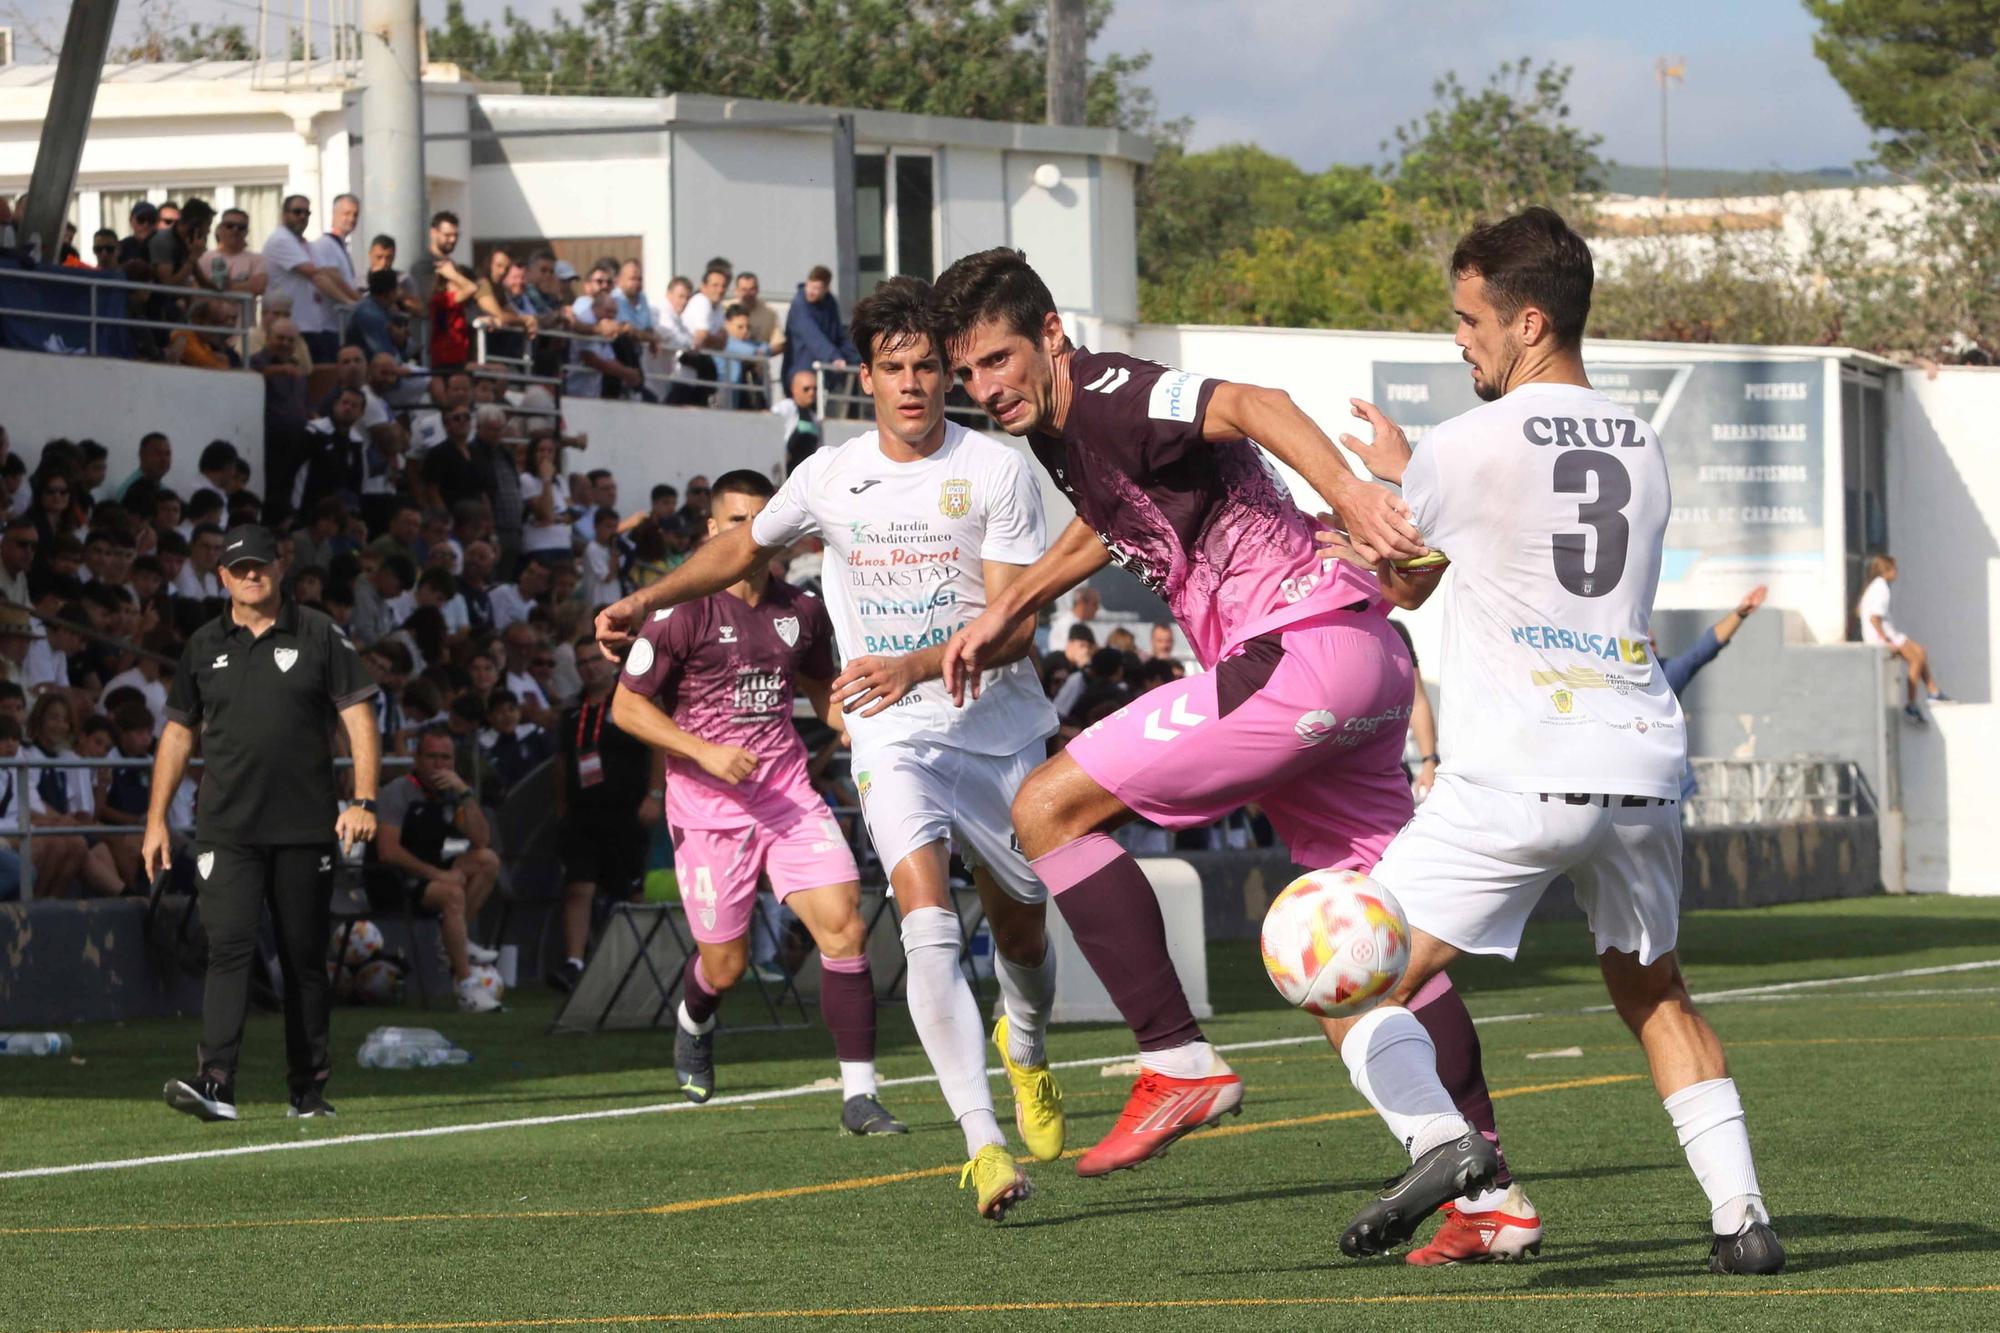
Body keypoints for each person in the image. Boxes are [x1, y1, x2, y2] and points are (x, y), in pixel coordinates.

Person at [929, 250, 1520, 1232]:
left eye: (997, 359)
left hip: (1291, 657)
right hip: (1362, 661)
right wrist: (1016, 601)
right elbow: (1110, 519)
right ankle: (1484, 1193)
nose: (985, 390)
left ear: (1050, 337)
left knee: (1044, 806)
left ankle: (1174, 1057)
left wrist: (1352, 491)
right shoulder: (1067, 434)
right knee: (1368, 956)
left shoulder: (1111, 392)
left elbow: (1253, 400)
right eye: (970, 376)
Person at [1308, 207, 1783, 1275]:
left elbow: (1401, 576)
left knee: (1341, 976)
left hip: (1520, 767)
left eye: (1470, 319)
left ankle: (1442, 1147)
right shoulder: (1640, 440)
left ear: (1527, 321)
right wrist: (1409, 466)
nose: (1459, 339)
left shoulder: (1461, 445)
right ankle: (1741, 1218)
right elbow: (1524, 523)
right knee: (1654, 991)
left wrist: (1385, 489)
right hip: (1641, 759)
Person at [597, 279, 1064, 1221]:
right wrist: (645, 600)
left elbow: (1014, 623)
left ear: (948, 372)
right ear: (867, 377)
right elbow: (736, 554)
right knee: (923, 918)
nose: (912, 385)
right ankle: (981, 1141)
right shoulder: (827, 474)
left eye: (928, 367)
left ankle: (1028, 1045)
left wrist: (923, 662)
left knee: (1021, 924)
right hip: (891, 732)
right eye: (893, 369)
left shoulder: (1000, 468)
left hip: (998, 727)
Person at [609, 469, 904, 1134]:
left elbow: (823, 689)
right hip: (708, 809)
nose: (751, 533)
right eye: (736, 520)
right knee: (727, 963)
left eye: (761, 519)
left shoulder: (798, 610)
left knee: (844, 925)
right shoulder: (680, 611)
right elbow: (627, 707)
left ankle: (859, 1094)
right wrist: (703, 751)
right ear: (712, 531)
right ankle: (693, 1020)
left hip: (785, 797)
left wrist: (863, 729)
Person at [147, 523, 381, 1122]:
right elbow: (177, 733)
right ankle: (216, 1083)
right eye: (239, 567)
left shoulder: (319, 632)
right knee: (228, 948)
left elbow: (357, 715)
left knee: (304, 956)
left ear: (280, 569)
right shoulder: (202, 644)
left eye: (261, 565)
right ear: (222, 576)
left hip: (306, 826)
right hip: (225, 827)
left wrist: (364, 799)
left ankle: (307, 1089)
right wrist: (154, 820)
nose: (252, 575)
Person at [372, 729, 505, 1011]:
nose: (439, 765)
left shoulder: (448, 795)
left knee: (487, 860)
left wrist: (465, 793)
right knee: (452, 893)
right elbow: (387, 851)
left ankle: (455, 938)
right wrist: (438, 875)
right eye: (432, 757)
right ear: (417, 758)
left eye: (446, 758)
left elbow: (481, 839)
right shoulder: (397, 792)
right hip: (390, 880)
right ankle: (467, 987)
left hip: (426, 874)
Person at [549, 638, 656, 989]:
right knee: (578, 885)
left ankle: (635, 963)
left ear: (610, 662)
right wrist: (562, 807)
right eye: (581, 662)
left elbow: (659, 747)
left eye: (594, 660)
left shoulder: (631, 700)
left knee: (629, 890)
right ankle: (574, 963)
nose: (589, 667)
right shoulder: (571, 710)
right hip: (583, 813)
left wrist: (655, 795)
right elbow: (563, 763)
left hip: (626, 809)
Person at [1857, 554, 1947, 723]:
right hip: (1884, 636)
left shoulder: (1877, 586)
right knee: (1916, 659)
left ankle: (1933, 692)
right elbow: (1874, 618)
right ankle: (1911, 705)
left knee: (1920, 651)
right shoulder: (1881, 588)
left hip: (1890, 633)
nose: (1897, 572)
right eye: (1895, 569)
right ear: (1887, 570)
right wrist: (1885, 641)